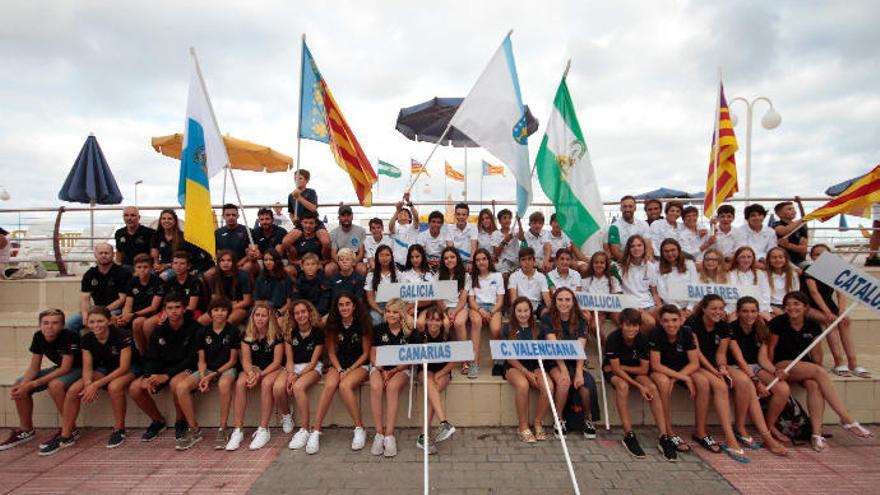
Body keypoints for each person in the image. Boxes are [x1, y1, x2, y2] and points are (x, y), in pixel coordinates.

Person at [768, 291, 873, 452]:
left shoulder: (812, 325)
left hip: (804, 366)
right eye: (788, 304)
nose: (791, 307)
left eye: (796, 304)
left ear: (806, 307)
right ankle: (846, 418)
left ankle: (816, 435)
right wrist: (772, 370)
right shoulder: (778, 322)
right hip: (783, 364)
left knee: (815, 385)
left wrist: (815, 369)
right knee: (818, 372)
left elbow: (816, 353)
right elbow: (771, 349)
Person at [687, 295, 785, 459]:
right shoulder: (692, 323)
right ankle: (730, 437)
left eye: (721, 309)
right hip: (698, 364)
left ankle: (748, 431)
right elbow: (697, 354)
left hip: (716, 365)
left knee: (744, 381)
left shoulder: (724, 326)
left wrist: (722, 367)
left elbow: (721, 354)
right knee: (721, 386)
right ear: (703, 308)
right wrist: (715, 371)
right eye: (713, 308)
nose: (718, 312)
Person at [649, 304, 747, 461]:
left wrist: (679, 377)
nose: (670, 324)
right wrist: (682, 378)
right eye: (666, 321)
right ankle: (669, 432)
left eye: (674, 320)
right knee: (663, 383)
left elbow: (694, 363)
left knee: (702, 382)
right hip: (662, 370)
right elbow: (656, 365)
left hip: (682, 369)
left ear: (681, 320)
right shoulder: (656, 333)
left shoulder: (686, 332)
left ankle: (700, 432)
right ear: (660, 322)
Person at [41, 306, 138, 454]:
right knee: (74, 390)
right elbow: (87, 367)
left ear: (109, 321)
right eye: (92, 322)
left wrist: (96, 384)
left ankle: (119, 429)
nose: (96, 325)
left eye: (100, 321)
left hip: (129, 368)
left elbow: (123, 367)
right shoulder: (86, 339)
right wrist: (88, 384)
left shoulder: (122, 335)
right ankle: (66, 435)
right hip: (103, 368)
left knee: (114, 387)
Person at [0, 309, 82, 451]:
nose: (50, 326)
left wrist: (33, 383)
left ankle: (70, 429)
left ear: (62, 326)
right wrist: (25, 384)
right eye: (46, 323)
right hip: (59, 367)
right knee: (19, 384)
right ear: (39, 325)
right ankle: (27, 430)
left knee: (55, 385)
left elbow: (65, 368)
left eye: (55, 323)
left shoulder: (69, 336)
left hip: (78, 368)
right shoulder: (38, 336)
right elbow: (34, 366)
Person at [603, 308, 677, 461]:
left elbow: (643, 369)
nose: (631, 329)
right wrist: (638, 386)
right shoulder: (613, 338)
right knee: (623, 387)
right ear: (621, 325)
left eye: (635, 325)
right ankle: (628, 434)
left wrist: (623, 368)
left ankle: (663, 437)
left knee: (653, 388)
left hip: (633, 370)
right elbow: (615, 370)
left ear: (639, 326)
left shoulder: (642, 339)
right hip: (616, 374)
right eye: (627, 325)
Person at [128, 294, 199, 443]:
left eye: (178, 307)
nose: (174, 311)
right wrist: (148, 376)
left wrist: (167, 375)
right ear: (164, 311)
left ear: (184, 309)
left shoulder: (194, 327)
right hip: (164, 368)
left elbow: (192, 359)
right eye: (170, 308)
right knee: (135, 388)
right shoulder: (159, 330)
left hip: (187, 367)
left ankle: (180, 421)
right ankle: (157, 421)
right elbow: (152, 357)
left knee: (175, 383)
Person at [173, 296, 239, 451]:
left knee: (224, 384)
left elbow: (232, 360)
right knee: (181, 387)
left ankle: (223, 428)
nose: (219, 313)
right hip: (207, 369)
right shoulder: (202, 331)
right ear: (210, 313)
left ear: (228, 313)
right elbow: (201, 359)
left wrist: (213, 375)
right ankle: (194, 430)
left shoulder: (233, 331)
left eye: (223, 310)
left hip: (226, 368)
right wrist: (203, 376)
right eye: (216, 310)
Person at [311, 294, 372, 451]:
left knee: (344, 386)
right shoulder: (333, 324)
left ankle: (359, 429)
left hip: (359, 365)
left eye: (347, 304)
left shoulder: (362, 324)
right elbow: (331, 353)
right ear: (337, 307)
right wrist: (340, 369)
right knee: (330, 385)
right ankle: (316, 431)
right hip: (339, 365)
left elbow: (366, 354)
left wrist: (349, 370)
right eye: (341, 305)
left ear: (354, 306)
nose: (344, 307)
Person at [728, 296, 792, 445]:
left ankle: (769, 426)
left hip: (755, 366)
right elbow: (740, 360)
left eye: (753, 311)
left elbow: (762, 359)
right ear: (738, 312)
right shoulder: (731, 329)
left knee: (783, 389)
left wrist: (776, 371)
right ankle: (746, 429)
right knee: (749, 387)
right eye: (745, 311)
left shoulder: (762, 328)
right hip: (736, 367)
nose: (749, 315)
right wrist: (756, 382)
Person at [226, 302, 285, 451]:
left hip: (272, 369)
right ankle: (238, 430)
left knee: (266, 384)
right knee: (240, 383)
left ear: (269, 317)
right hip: (254, 368)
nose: (260, 318)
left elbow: (277, 362)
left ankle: (264, 429)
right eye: (257, 315)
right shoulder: (247, 334)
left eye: (263, 315)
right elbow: (245, 360)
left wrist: (259, 375)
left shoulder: (276, 335)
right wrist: (251, 373)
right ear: (252, 317)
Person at [801, 244, 866, 378]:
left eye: (824, 254)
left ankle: (853, 363)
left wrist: (842, 312)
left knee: (844, 323)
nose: (820, 257)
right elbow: (814, 292)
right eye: (816, 254)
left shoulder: (833, 271)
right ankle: (839, 362)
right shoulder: (809, 269)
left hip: (828, 304)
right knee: (830, 322)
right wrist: (827, 313)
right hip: (810, 305)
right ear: (811, 257)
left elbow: (840, 294)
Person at [542, 288, 598, 439]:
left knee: (586, 385)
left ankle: (587, 419)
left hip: (575, 361)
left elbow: (580, 348)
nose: (564, 303)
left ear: (573, 302)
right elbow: (554, 347)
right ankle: (558, 419)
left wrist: (579, 371)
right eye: (560, 299)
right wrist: (563, 369)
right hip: (554, 360)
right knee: (564, 380)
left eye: (567, 299)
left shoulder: (581, 320)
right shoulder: (548, 318)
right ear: (555, 302)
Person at [276, 300, 325, 454]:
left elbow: (313, 362)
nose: (301, 315)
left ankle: (305, 429)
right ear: (293, 316)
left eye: (303, 311)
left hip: (312, 367)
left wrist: (296, 377)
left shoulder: (318, 332)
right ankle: (286, 415)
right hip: (294, 367)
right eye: (297, 313)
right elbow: (289, 360)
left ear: (309, 313)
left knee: (298, 387)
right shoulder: (290, 332)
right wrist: (291, 374)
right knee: (278, 388)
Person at [503, 297, 554, 443]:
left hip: (535, 365)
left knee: (549, 386)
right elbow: (509, 357)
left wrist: (535, 372)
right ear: (514, 312)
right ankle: (523, 427)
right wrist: (527, 374)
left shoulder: (539, 329)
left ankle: (538, 422)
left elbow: (545, 351)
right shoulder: (508, 329)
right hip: (514, 366)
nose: (523, 314)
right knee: (523, 385)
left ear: (531, 312)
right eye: (519, 311)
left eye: (526, 310)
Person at [368, 298, 412, 457]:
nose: (391, 315)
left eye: (395, 312)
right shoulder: (378, 329)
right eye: (388, 311)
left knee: (392, 388)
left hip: (400, 369)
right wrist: (380, 368)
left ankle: (389, 435)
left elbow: (409, 360)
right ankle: (379, 434)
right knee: (375, 386)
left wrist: (393, 371)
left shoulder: (408, 331)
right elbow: (372, 353)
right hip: (380, 367)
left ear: (401, 314)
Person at [410, 306, 457, 453]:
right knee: (429, 383)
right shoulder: (419, 335)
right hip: (425, 370)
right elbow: (413, 356)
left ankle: (424, 437)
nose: (433, 323)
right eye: (430, 320)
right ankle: (444, 422)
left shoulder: (447, 336)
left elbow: (452, 362)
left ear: (442, 322)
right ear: (426, 321)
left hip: (443, 371)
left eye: (437, 320)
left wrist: (441, 373)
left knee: (432, 394)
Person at [141, 250, 201, 351]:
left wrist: (173, 313)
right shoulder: (169, 282)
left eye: (182, 263)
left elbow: (192, 306)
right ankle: (152, 354)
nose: (178, 266)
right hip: (171, 309)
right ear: (172, 265)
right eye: (175, 263)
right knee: (148, 324)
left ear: (188, 266)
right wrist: (166, 312)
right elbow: (166, 303)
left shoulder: (194, 281)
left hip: (190, 311)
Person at [437, 246, 480, 378]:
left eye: (452, 257)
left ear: (457, 258)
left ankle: (465, 361)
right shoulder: (438, 276)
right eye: (446, 258)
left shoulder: (466, 276)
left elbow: (463, 299)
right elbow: (438, 298)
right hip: (444, 307)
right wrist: (446, 310)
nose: (449, 260)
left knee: (459, 323)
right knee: (444, 324)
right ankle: (441, 361)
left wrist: (454, 311)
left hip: (460, 307)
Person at [69, 242, 128, 333]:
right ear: (95, 255)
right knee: (70, 324)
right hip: (95, 309)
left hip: (115, 310)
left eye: (106, 253)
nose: (103, 255)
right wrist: (85, 315)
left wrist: (102, 312)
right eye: (101, 253)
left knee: (106, 321)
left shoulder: (122, 273)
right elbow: (84, 298)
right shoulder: (90, 274)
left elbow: (122, 299)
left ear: (113, 254)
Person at [469, 248, 505, 376]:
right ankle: (474, 363)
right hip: (477, 308)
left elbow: (500, 301)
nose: (481, 262)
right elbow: (471, 300)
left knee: (496, 329)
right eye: (478, 260)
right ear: (475, 263)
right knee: (476, 322)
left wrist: (490, 312)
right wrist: (480, 310)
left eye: (483, 259)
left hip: (494, 307)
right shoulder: (472, 277)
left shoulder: (497, 276)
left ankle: (499, 362)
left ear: (489, 260)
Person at [116, 254, 162, 345]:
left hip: (150, 313)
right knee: (114, 319)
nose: (142, 270)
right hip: (134, 313)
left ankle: (144, 352)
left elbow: (153, 307)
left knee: (137, 322)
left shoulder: (158, 282)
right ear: (135, 268)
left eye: (145, 267)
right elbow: (128, 304)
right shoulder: (132, 282)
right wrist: (125, 316)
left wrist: (133, 315)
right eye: (139, 267)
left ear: (151, 268)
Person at [285, 169, 331, 258]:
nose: (297, 180)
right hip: (300, 223)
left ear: (306, 181)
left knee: (326, 242)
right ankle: (296, 260)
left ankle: (324, 260)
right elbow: (291, 212)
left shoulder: (311, 192)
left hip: (314, 222)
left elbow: (313, 208)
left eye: (300, 178)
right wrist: (293, 219)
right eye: (295, 178)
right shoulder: (291, 195)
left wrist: (299, 198)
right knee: (286, 242)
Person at [619, 235, 660, 333]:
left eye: (639, 245)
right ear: (628, 249)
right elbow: (619, 294)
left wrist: (659, 306)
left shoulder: (651, 266)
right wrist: (637, 307)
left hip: (649, 304)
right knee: (651, 323)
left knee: (666, 315)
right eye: (632, 246)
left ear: (644, 248)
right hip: (632, 305)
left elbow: (654, 292)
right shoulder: (621, 268)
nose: (636, 248)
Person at [201, 250, 253, 326]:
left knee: (227, 322)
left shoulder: (242, 276)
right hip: (221, 307)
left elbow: (247, 301)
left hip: (239, 307)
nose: (225, 263)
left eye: (229, 260)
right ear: (218, 263)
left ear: (234, 262)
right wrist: (220, 309)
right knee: (201, 321)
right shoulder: (215, 277)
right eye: (222, 260)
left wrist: (228, 307)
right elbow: (214, 299)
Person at [581, 251, 622, 337]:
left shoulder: (612, 279)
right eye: (596, 262)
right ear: (592, 264)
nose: (599, 265)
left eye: (602, 262)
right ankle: (606, 346)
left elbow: (617, 297)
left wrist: (607, 304)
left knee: (622, 322)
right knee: (594, 326)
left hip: (610, 309)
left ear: (606, 264)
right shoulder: (585, 281)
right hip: (595, 311)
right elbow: (583, 300)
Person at [656, 239, 698, 318]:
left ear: (678, 250)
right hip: (671, 306)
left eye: (673, 250)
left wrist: (690, 308)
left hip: (691, 306)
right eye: (666, 251)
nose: (670, 253)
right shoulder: (657, 267)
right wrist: (678, 309)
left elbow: (694, 286)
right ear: (662, 253)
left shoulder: (689, 263)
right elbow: (662, 292)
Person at [729, 246, 772, 322]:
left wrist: (760, 309)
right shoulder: (729, 275)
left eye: (749, 257)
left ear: (753, 259)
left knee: (768, 320)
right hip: (736, 308)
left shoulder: (759, 273)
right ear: (737, 259)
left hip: (757, 307)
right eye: (743, 257)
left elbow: (765, 293)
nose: (746, 260)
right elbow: (729, 296)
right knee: (732, 320)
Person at [508, 247, 551, 319]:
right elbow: (513, 299)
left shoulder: (541, 277)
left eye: (529, 259)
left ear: (534, 261)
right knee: (518, 312)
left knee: (546, 313)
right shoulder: (514, 276)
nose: (527, 262)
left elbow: (546, 297)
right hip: (521, 306)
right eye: (523, 259)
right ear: (519, 262)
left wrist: (551, 309)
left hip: (537, 306)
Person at [281, 210, 328, 276]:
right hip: (301, 265)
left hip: (316, 265)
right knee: (287, 270)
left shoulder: (320, 237)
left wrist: (318, 264)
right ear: (301, 223)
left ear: (316, 224)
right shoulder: (296, 237)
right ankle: (296, 286)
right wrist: (298, 262)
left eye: (311, 223)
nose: (308, 226)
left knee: (328, 268)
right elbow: (291, 260)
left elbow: (327, 259)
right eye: (305, 223)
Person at [606, 195, 652, 262]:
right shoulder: (614, 227)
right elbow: (616, 252)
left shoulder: (644, 224)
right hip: (624, 263)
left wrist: (646, 261)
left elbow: (648, 246)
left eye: (630, 206)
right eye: (625, 206)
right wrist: (631, 264)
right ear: (620, 208)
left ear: (635, 208)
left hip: (642, 262)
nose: (627, 209)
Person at [215, 203, 255, 274]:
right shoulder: (217, 233)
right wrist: (225, 264)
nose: (231, 217)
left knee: (247, 267)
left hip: (242, 263)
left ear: (238, 216)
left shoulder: (247, 231)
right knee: (208, 275)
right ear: (223, 216)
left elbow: (250, 253)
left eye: (233, 215)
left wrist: (239, 264)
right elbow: (217, 253)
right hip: (224, 264)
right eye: (228, 215)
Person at [289, 252, 331, 317]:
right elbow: (296, 301)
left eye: (313, 264)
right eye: (307, 264)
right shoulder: (298, 283)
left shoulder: (324, 281)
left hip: (320, 314)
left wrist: (313, 315)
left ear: (318, 266)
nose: (310, 267)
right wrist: (306, 314)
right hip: (303, 314)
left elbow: (324, 304)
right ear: (302, 267)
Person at [365, 245, 399, 325]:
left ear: (391, 257)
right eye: (381, 255)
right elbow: (370, 298)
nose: (385, 258)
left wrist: (392, 311)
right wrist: (381, 312)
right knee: (375, 320)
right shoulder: (371, 275)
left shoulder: (398, 274)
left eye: (387, 255)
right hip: (378, 307)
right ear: (377, 257)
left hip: (394, 305)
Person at [329, 204, 366, 275]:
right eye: (343, 216)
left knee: (362, 269)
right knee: (329, 269)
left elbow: (361, 253)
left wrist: (353, 263)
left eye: (348, 215)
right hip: (340, 258)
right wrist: (341, 263)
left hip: (355, 257)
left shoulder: (361, 231)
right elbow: (333, 253)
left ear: (352, 216)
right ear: (339, 218)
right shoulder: (333, 233)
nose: (346, 218)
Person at [254, 250, 292, 315]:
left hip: (281, 311)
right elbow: (257, 302)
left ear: (277, 261)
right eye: (266, 260)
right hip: (264, 311)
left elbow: (289, 303)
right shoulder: (260, 278)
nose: (268, 262)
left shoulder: (286, 278)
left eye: (271, 260)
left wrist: (279, 312)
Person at [772, 200, 808, 267]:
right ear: (780, 214)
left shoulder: (801, 227)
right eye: (789, 209)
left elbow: (803, 248)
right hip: (781, 261)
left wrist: (788, 245)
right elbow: (783, 231)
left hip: (799, 261)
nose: (793, 211)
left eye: (793, 209)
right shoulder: (776, 224)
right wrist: (802, 220)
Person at [388, 192, 420, 269]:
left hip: (411, 261)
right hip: (397, 263)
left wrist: (409, 202)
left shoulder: (413, 227)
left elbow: (416, 217)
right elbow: (390, 226)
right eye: (400, 213)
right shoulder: (395, 227)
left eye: (406, 213)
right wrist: (397, 210)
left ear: (409, 218)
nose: (403, 213)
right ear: (397, 218)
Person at [150, 209, 185, 278]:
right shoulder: (156, 236)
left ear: (175, 221)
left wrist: (167, 265)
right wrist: (156, 265)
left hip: (177, 266)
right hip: (161, 265)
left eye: (169, 219)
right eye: (164, 218)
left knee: (163, 276)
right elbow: (154, 256)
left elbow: (184, 258)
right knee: (148, 276)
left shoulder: (182, 236)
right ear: (160, 221)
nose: (166, 221)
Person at [766, 247, 799, 316]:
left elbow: (795, 293)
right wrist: (771, 308)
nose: (778, 260)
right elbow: (763, 297)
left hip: (789, 305)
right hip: (771, 306)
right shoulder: (764, 275)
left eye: (781, 257)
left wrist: (789, 308)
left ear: (786, 259)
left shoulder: (793, 274)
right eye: (774, 257)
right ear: (769, 260)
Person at [495, 209, 520, 274]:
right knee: (505, 276)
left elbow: (522, 237)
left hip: (517, 263)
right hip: (504, 264)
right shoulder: (495, 234)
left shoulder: (515, 231)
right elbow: (497, 253)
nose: (507, 220)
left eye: (509, 218)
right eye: (504, 218)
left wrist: (519, 222)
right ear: (499, 221)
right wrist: (505, 241)